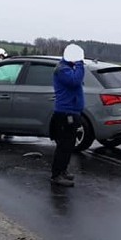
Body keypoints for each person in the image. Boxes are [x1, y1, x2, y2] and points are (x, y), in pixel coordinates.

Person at [50, 43, 86, 187]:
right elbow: (75, 81)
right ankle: (56, 175)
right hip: (65, 113)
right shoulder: (62, 69)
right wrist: (80, 65)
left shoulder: (68, 68)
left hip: (72, 111)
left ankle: (62, 170)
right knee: (64, 145)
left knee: (69, 145)